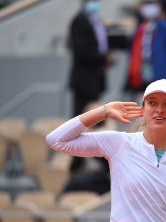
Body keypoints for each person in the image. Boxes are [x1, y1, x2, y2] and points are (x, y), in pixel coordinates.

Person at [46, 79, 166, 222]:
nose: (159, 110)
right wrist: (104, 111)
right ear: (143, 110)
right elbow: (56, 140)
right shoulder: (119, 143)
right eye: (152, 103)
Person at [67, 0, 113, 174]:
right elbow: (81, 50)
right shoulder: (78, 22)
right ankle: (77, 163)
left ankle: (96, 161)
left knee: (96, 124)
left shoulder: (96, 20)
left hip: (95, 80)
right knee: (80, 123)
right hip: (83, 81)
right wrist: (103, 58)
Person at [125, 0, 166, 98]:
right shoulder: (140, 28)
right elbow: (132, 52)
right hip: (140, 71)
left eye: (152, 4)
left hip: (160, 71)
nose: (149, 7)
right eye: (146, 4)